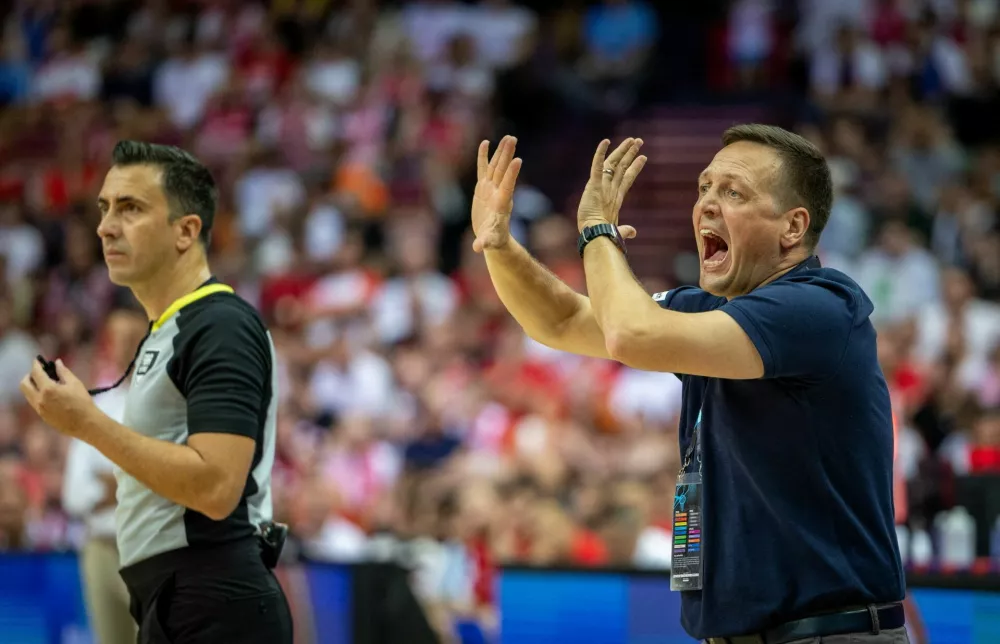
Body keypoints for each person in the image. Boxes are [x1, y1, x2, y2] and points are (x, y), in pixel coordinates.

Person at [471, 130, 907, 642]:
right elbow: (563, 321)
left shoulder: (820, 308)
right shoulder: (707, 313)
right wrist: (498, 246)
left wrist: (596, 229)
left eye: (734, 192)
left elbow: (631, 333)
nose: (706, 205)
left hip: (828, 634)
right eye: (704, 188)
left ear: (793, 227)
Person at [19, 141, 293, 644]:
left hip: (213, 598)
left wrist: (86, 424)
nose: (105, 226)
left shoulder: (219, 323)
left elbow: (215, 486)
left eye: (130, 208)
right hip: (175, 598)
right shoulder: (168, 329)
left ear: (186, 230)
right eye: (104, 208)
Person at [62, 308, 148, 644]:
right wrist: (126, 485)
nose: (125, 346)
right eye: (117, 339)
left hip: (146, 549)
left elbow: (171, 481)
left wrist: (118, 485)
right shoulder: (95, 406)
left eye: (132, 338)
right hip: (99, 546)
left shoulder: (162, 407)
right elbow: (73, 493)